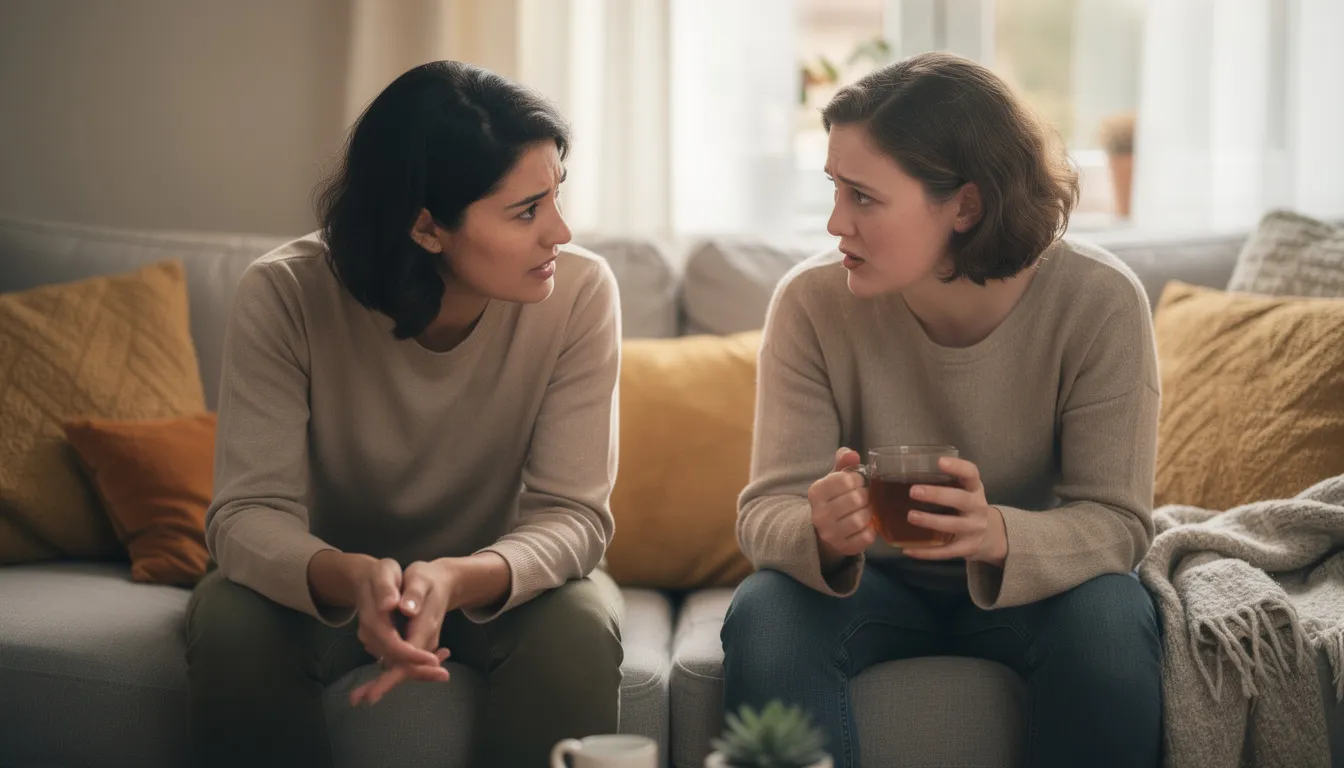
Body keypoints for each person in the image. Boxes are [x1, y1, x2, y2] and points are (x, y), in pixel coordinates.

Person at [722, 52, 1161, 768]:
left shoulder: (1099, 301)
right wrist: (823, 533)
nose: (835, 223)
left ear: (965, 204)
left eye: (863, 197)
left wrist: (995, 535)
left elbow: (1117, 523)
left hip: (1036, 593)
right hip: (874, 588)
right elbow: (764, 511)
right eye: (834, 188)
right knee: (766, 613)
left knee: (1112, 618)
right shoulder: (810, 303)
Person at [185, 60, 624, 768]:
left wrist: (455, 578)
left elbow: (574, 517)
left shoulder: (579, 295)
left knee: (579, 624)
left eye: (556, 196)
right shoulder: (284, 295)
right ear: (426, 228)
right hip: (326, 582)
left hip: (498, 581)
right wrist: (354, 576)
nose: (561, 233)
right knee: (232, 620)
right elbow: (245, 516)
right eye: (526, 211)